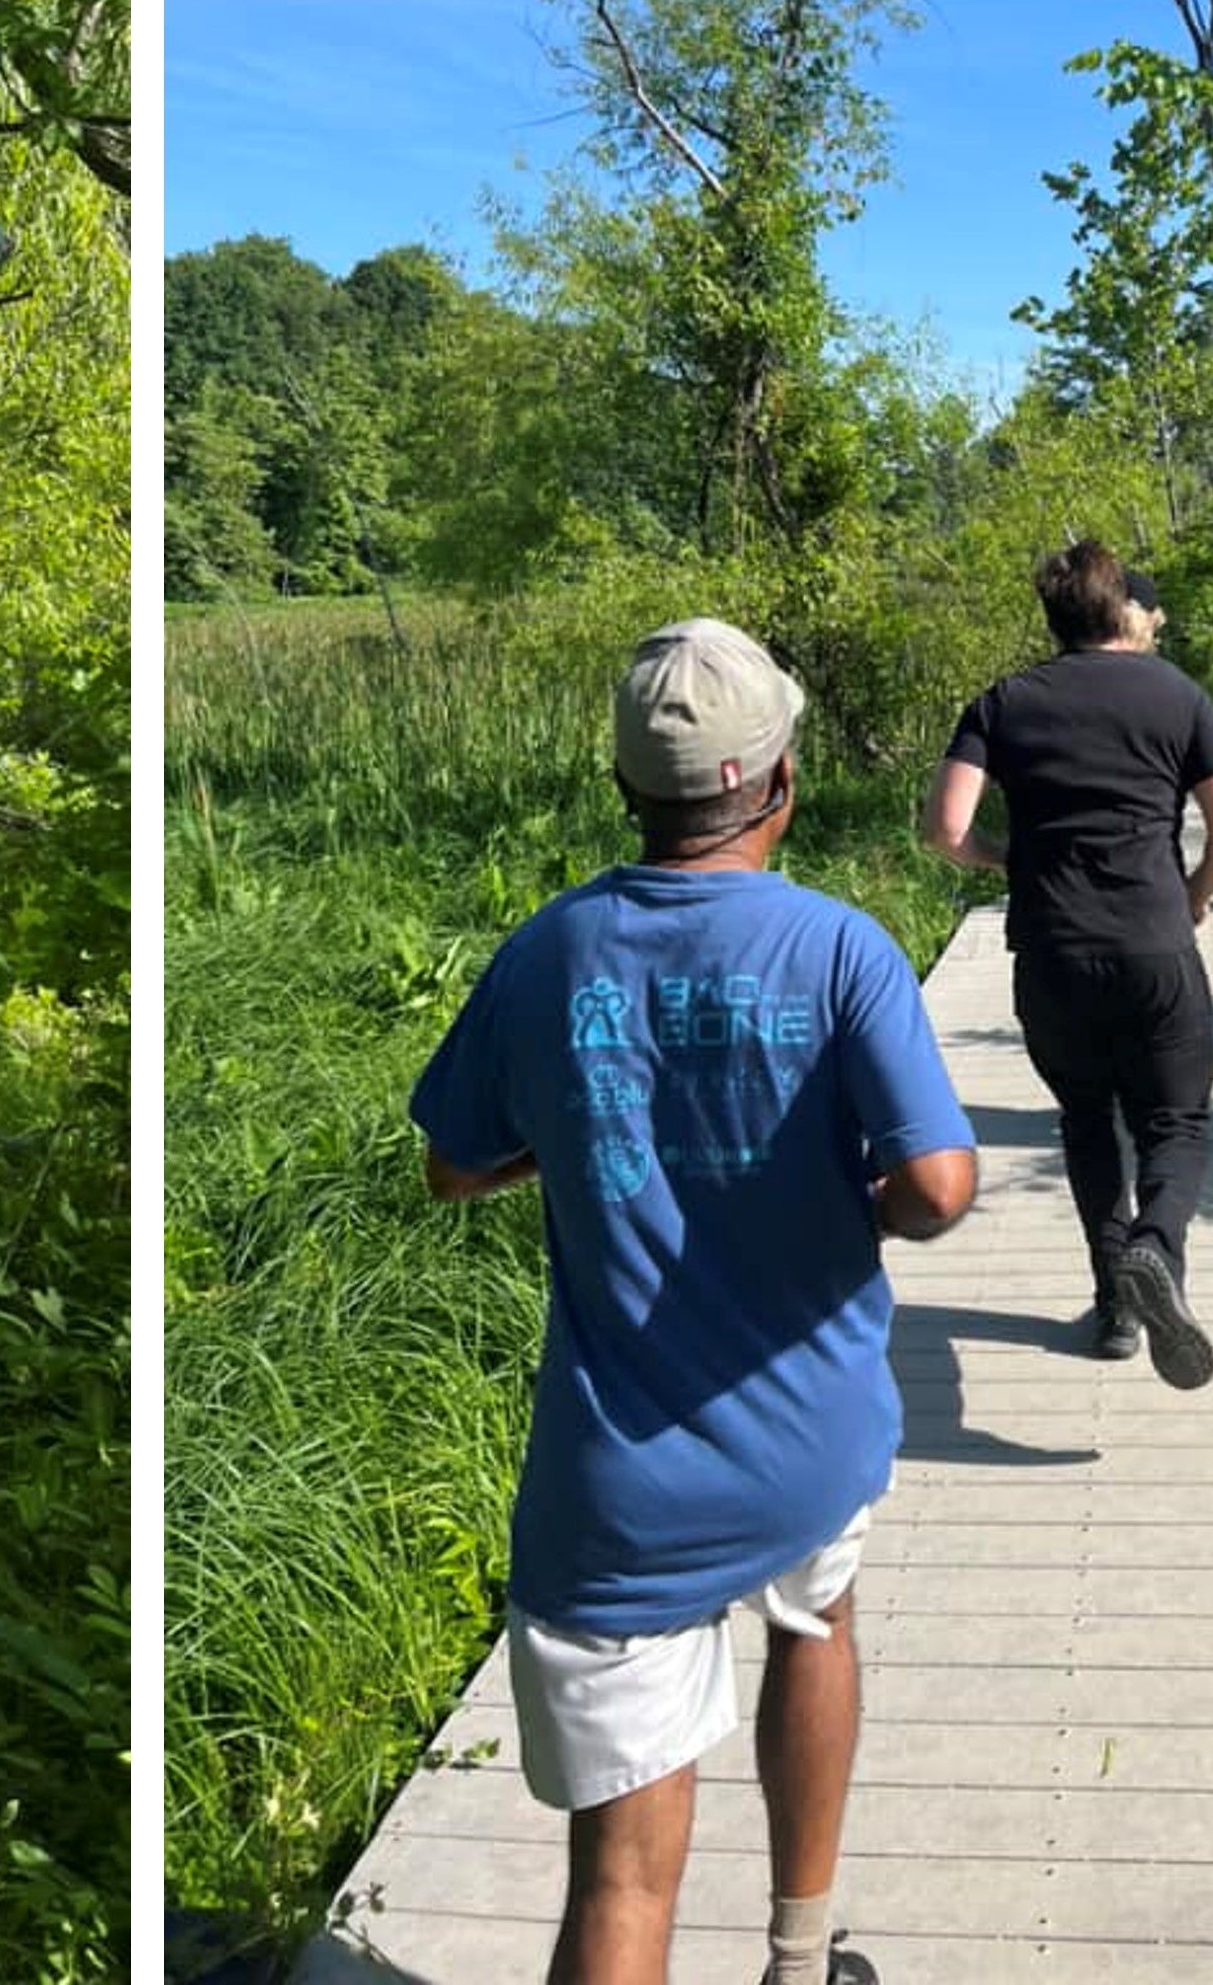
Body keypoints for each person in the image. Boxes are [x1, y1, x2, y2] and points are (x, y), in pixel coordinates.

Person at [415, 619, 976, 1985]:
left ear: (631, 789)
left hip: (620, 1484)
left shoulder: (547, 952)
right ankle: (797, 1954)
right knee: (819, 1617)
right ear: (777, 780)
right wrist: (869, 1207)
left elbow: (452, 1161)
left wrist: (592, 1120)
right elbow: (942, 1183)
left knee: (619, 1877)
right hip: (811, 1434)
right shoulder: (843, 951)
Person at [919, 539, 1213, 1390]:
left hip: (1050, 951)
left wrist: (1009, 860)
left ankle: (1114, 1309)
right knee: (1174, 1124)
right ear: (1120, 610)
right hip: (1153, 943)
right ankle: (1154, 1247)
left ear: (1055, 615)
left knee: (1085, 1118)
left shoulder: (1001, 702)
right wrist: (1194, 893)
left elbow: (945, 830)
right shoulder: (1177, 695)